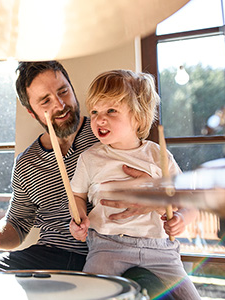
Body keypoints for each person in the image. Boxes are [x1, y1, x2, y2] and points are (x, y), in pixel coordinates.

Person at [0, 61, 169, 296]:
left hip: (109, 252)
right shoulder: (27, 162)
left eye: (63, 91)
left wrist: (155, 196)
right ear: (32, 111)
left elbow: (161, 178)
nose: (60, 105)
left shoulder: (109, 131)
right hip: (48, 256)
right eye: (45, 101)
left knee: (153, 291)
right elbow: (18, 224)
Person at [68, 69, 201, 299]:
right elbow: (77, 196)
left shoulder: (159, 156)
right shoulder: (90, 158)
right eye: (95, 111)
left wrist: (182, 218)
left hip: (161, 250)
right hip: (108, 246)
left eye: (111, 110)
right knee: (87, 295)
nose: (100, 118)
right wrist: (79, 219)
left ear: (138, 117)